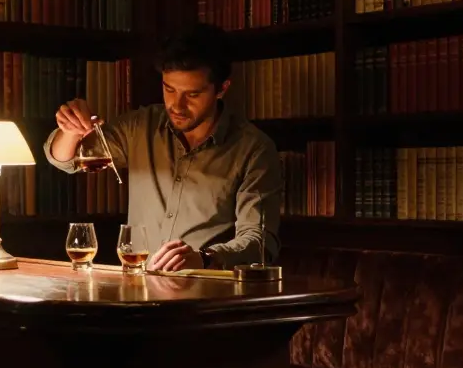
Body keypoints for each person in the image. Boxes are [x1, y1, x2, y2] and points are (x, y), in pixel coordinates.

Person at [42, 24, 284, 272]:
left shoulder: (254, 149)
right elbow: (63, 160)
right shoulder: (140, 127)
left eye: (192, 95)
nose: (177, 106)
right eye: (169, 89)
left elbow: (260, 242)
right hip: (138, 288)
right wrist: (70, 131)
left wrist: (205, 258)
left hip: (207, 292)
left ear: (221, 89)